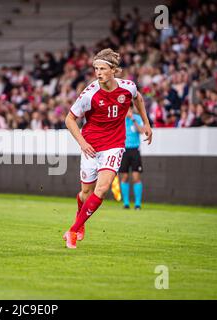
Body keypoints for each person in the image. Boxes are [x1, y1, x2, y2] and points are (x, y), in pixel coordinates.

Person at [63, 48, 152, 249]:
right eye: (96, 68)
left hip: (114, 146)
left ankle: (73, 231)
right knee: (86, 192)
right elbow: (69, 119)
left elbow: (138, 98)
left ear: (114, 70)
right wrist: (83, 143)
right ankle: (80, 222)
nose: (98, 72)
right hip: (91, 147)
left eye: (102, 68)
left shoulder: (128, 87)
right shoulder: (90, 93)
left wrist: (146, 123)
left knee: (102, 189)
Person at [119, 106, 145, 210]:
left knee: (136, 177)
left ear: (132, 109)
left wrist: (133, 119)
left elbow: (142, 131)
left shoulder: (137, 118)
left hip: (135, 150)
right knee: (124, 177)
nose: (128, 112)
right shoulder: (120, 119)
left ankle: (137, 204)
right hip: (123, 150)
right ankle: (126, 203)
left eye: (129, 109)